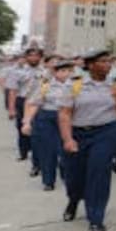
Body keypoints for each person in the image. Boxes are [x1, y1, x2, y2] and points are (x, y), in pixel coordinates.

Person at [57, 49, 116, 231]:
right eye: (103, 61)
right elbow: (64, 114)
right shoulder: (74, 85)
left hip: (105, 133)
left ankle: (96, 217)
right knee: (74, 175)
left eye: (109, 61)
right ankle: (74, 199)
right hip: (78, 133)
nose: (108, 65)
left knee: (99, 173)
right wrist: (68, 139)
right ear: (90, 65)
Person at [22, 58, 75, 191]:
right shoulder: (45, 85)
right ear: (55, 72)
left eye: (69, 71)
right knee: (48, 150)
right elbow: (34, 104)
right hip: (48, 118)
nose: (66, 73)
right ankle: (48, 181)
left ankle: (67, 175)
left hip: (69, 119)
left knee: (66, 149)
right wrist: (27, 122)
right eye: (62, 71)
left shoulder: (77, 85)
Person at [8, 44, 45, 173]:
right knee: (22, 128)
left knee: (37, 132)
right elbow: (13, 91)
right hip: (23, 100)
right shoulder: (17, 72)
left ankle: (37, 160)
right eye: (31, 55)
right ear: (26, 57)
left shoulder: (45, 71)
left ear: (40, 57)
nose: (34, 58)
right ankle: (23, 152)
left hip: (40, 102)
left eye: (37, 55)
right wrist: (11, 109)